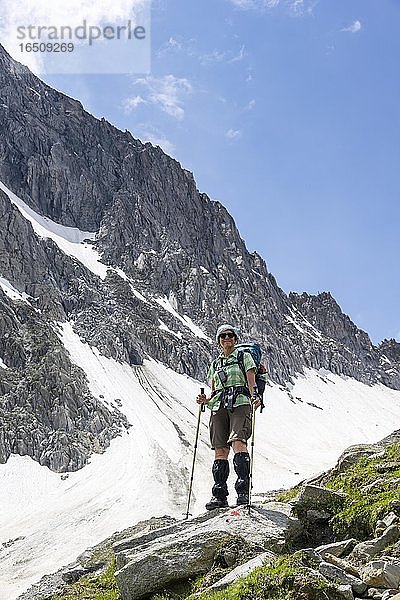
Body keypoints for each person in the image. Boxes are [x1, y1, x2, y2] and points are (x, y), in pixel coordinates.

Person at [197, 324, 262, 510]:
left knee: (238, 442)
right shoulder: (215, 364)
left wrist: (254, 397)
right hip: (218, 405)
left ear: (235, 339)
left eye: (230, 335)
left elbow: (251, 382)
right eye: (223, 336)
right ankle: (219, 495)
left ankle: (243, 493)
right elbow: (214, 390)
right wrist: (205, 399)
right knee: (220, 449)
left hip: (240, 402)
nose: (227, 338)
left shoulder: (244, 357)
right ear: (218, 341)